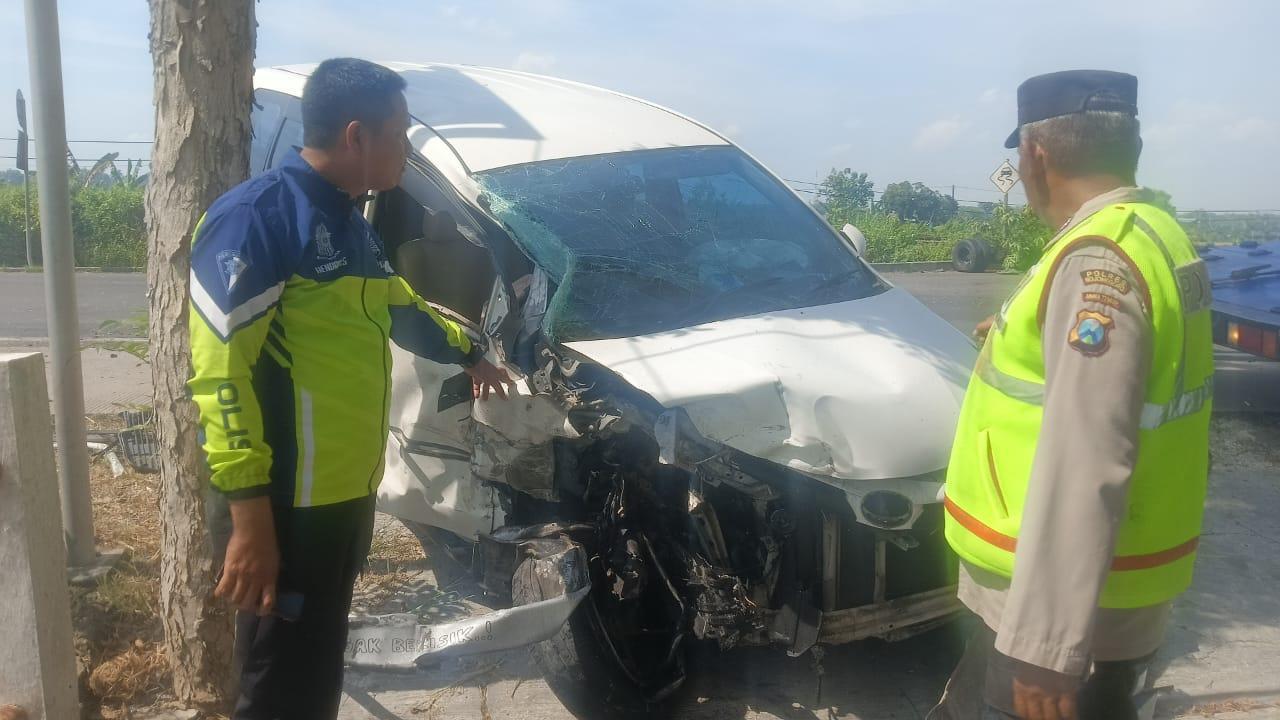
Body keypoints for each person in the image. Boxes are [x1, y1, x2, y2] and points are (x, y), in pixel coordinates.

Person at [188, 58, 514, 719]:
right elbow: (220, 377)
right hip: (284, 507)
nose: (406, 150)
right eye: (399, 133)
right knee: (273, 684)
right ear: (357, 135)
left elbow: (400, 307)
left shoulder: (350, 223)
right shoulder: (256, 220)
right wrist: (250, 520)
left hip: (342, 498)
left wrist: (471, 353)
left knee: (314, 669)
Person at [930, 70, 1214, 720]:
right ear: (1132, 145)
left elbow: (1087, 460)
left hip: (1061, 606)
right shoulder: (1154, 233)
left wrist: (1047, 648)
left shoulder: (1096, 262)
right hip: (1114, 584)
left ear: (1035, 156)